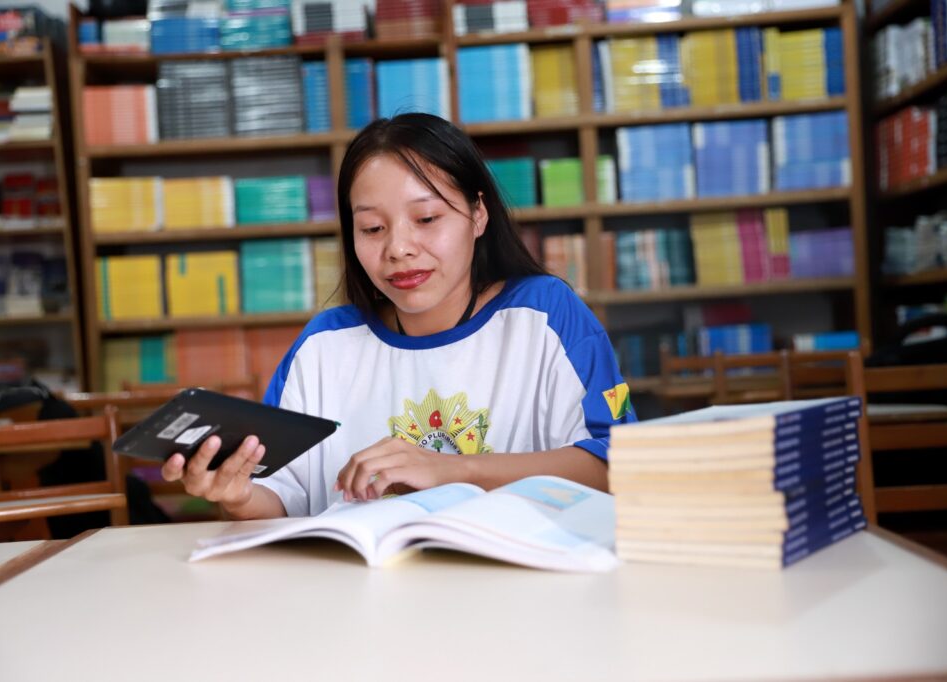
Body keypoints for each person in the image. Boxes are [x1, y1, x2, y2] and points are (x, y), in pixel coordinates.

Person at [161, 112, 637, 519]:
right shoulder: (324, 346)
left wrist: (454, 470)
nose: (399, 249)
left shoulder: (545, 316)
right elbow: (281, 497)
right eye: (372, 227)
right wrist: (239, 496)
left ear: (478, 215)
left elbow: (614, 467)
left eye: (427, 219)